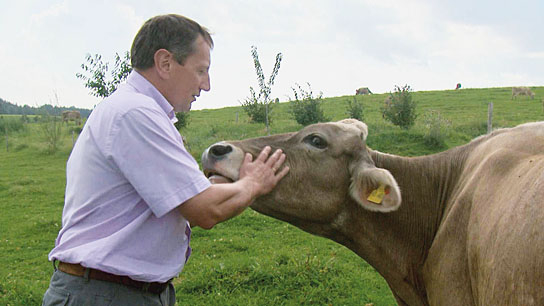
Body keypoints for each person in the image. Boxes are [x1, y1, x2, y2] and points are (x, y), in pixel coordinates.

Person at [42, 14, 289, 306]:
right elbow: (204, 211)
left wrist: (215, 187)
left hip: (116, 291)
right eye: (201, 70)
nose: (206, 85)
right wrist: (252, 183)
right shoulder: (135, 114)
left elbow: (177, 205)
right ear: (165, 63)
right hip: (107, 294)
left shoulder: (133, 110)